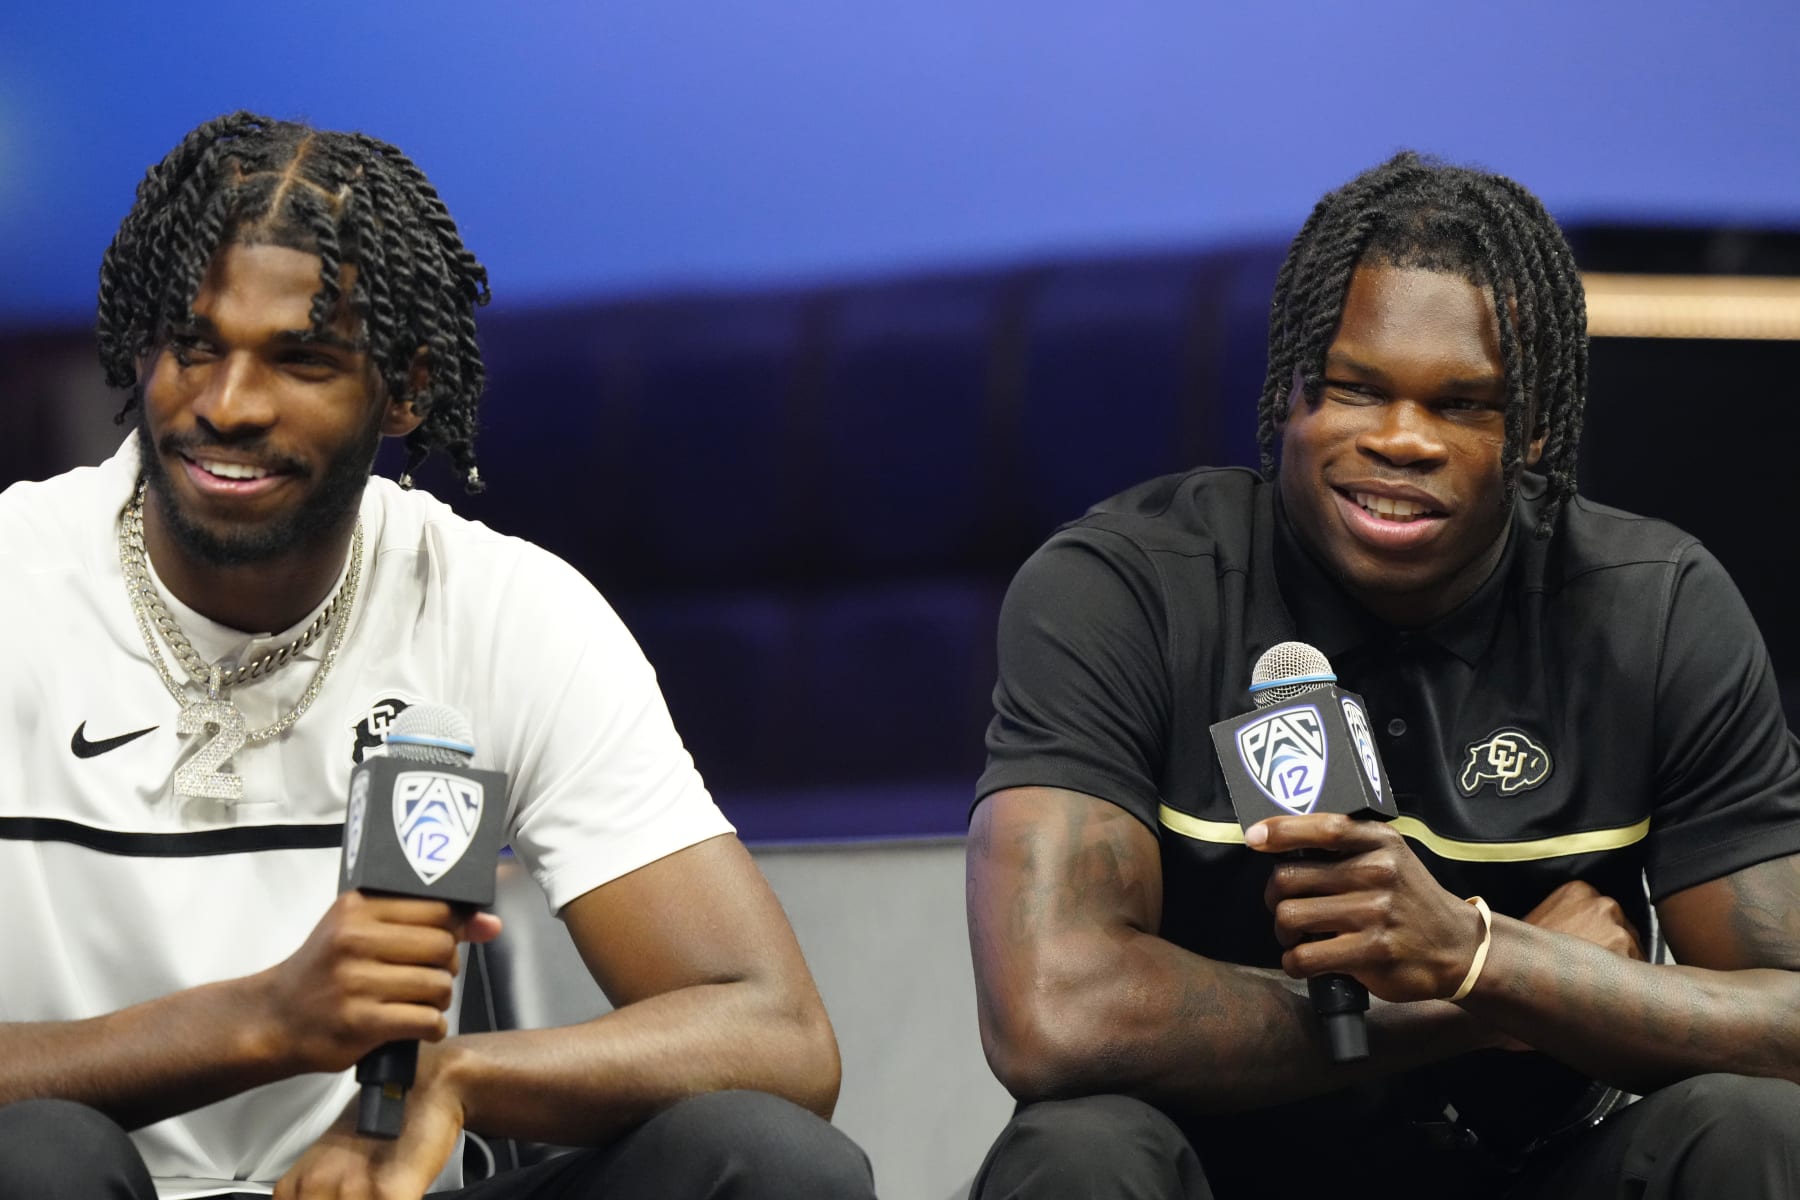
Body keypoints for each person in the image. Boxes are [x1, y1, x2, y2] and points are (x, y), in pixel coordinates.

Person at [0, 112, 875, 1200]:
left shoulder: (501, 608)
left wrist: (454, 1080)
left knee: (770, 1163)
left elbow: (778, 1036)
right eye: (195, 346)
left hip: (382, 1185)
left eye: (302, 359)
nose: (228, 404)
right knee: (38, 1158)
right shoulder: (16, 583)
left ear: (407, 392)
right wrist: (264, 1021)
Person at [965, 151, 1800, 1198]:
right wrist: (1479, 989)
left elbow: (1789, 1021)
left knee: (1761, 1126)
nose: (1401, 440)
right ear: (1292, 397)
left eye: (1463, 405)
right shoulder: (1127, 589)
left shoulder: (1655, 605)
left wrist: (1478, 953)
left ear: (1534, 426)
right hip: (1226, 1174)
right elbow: (1051, 1015)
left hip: (1533, 1169)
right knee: (1074, 1151)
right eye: (1358, 390)